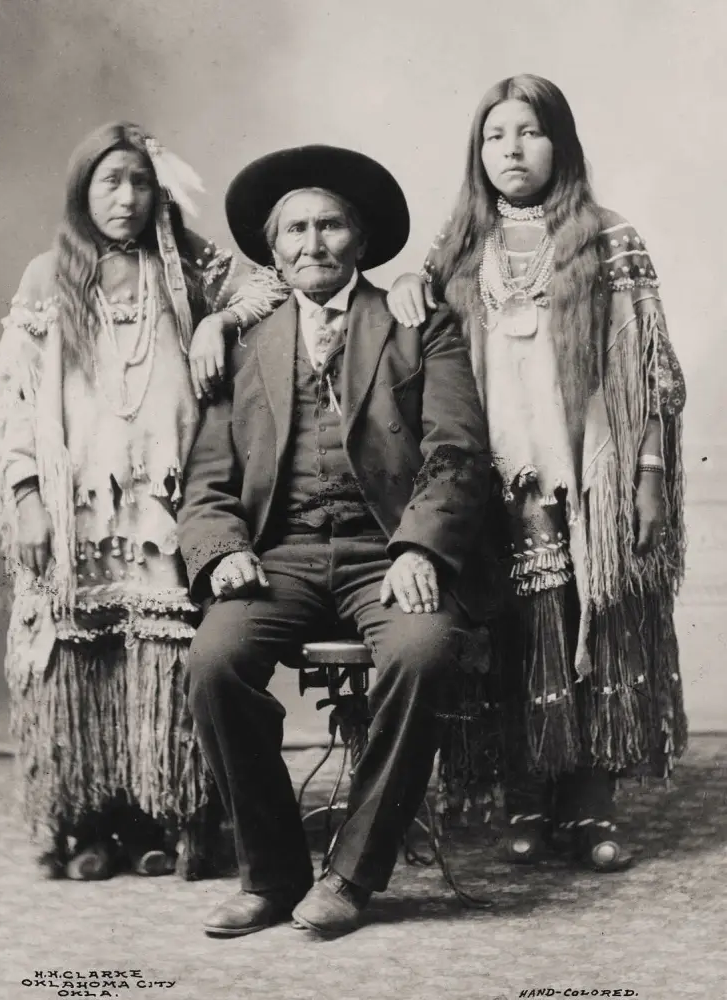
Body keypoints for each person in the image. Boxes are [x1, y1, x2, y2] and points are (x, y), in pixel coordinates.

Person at [178, 144, 498, 938]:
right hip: (277, 555)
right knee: (214, 663)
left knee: (421, 654)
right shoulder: (244, 339)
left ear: (361, 239)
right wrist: (221, 550)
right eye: (295, 230)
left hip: (385, 553)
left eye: (329, 227)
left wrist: (421, 549)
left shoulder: (415, 322)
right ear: (272, 246)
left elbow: (456, 453)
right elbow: (207, 475)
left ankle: (354, 873)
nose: (311, 244)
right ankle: (273, 873)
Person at [387, 74, 687, 872]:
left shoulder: (609, 239)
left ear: (561, 142)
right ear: (476, 152)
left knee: (598, 634)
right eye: (494, 136)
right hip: (496, 487)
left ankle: (589, 808)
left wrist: (648, 475)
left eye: (528, 132)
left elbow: (646, 371)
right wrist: (410, 285)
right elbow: (419, 364)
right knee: (515, 639)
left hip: (589, 481)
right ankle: (523, 797)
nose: (511, 149)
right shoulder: (455, 250)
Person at [0, 121, 287, 881]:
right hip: (74, 502)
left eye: (140, 181)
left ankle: (165, 818)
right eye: (109, 181)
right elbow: (12, 399)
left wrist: (218, 317)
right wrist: (25, 497)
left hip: (162, 500)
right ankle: (89, 821)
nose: (126, 197)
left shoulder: (185, 270)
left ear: (161, 193)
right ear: (83, 192)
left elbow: (272, 283)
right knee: (82, 662)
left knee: (161, 662)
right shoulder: (48, 277)